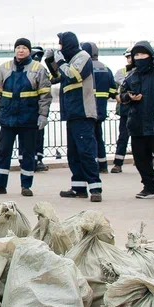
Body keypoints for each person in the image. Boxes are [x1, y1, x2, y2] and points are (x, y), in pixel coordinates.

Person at [0, 37, 51, 197]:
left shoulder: (38, 69)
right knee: (3, 152)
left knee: (27, 153)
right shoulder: (4, 68)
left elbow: (45, 95)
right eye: (18, 47)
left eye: (24, 48)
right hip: (8, 118)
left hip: (29, 118)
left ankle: (26, 185)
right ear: (15, 50)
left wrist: (43, 115)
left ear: (29, 51)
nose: (20, 50)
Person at [47, 32, 102, 201]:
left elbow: (72, 76)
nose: (59, 48)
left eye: (61, 44)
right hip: (71, 112)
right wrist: (51, 62)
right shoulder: (70, 60)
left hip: (83, 112)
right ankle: (78, 188)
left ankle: (95, 189)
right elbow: (55, 78)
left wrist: (61, 60)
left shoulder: (82, 57)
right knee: (74, 153)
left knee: (85, 151)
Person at [119, 41, 154, 200]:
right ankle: (149, 187)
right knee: (140, 159)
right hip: (137, 124)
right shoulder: (131, 75)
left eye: (142, 54)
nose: (139, 58)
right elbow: (121, 95)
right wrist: (128, 97)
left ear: (150, 55)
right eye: (136, 55)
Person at [82, 42, 115, 173]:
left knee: (89, 139)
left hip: (87, 109)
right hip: (101, 109)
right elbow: (113, 90)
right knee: (99, 137)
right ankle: (103, 165)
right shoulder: (106, 68)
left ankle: (93, 165)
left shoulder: (85, 67)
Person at [111, 49, 133, 172]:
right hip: (125, 110)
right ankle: (118, 163)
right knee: (123, 137)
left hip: (139, 110)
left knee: (142, 137)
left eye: (132, 56)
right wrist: (116, 96)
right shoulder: (121, 72)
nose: (130, 59)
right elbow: (113, 88)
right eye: (128, 57)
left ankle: (145, 160)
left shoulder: (142, 71)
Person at [31, 47, 51, 171]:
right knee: (30, 137)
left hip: (40, 110)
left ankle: (38, 160)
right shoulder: (27, 71)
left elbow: (47, 88)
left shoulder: (43, 71)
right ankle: (31, 161)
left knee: (39, 136)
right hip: (30, 110)